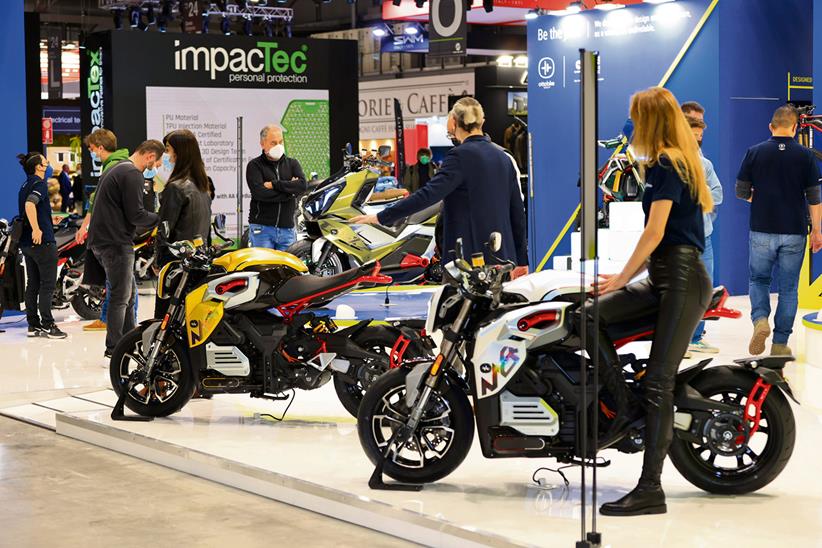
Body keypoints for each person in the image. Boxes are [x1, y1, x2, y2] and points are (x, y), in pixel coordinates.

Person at [597, 87, 713, 517]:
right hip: (668, 275)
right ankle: (625, 408)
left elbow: (657, 231)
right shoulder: (674, 159)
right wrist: (624, 279)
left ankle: (650, 489)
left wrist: (622, 278)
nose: (632, 125)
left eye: (635, 117)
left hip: (680, 279)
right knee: (587, 319)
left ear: (650, 119)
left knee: (659, 382)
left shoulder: (667, 162)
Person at [349, 97, 529, 278]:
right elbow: (517, 214)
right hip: (503, 258)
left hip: (466, 259)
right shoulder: (504, 158)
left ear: (454, 122)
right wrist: (522, 260)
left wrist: (381, 217)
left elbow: (427, 195)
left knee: (456, 306)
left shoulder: (460, 156)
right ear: (482, 121)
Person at [736, 104, 822, 356]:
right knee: (788, 289)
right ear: (795, 128)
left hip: (762, 229)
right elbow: (814, 198)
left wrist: (760, 200)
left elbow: (741, 191)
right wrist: (817, 231)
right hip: (794, 230)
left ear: (771, 127)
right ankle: (780, 343)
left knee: (759, 280)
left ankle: (760, 319)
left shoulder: (754, 153)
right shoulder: (806, 156)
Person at [87, 141, 162, 357]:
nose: (156, 166)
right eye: (156, 161)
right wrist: (161, 218)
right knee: (120, 297)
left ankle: (130, 343)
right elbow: (136, 215)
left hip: (104, 241)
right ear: (149, 156)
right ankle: (114, 350)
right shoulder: (132, 174)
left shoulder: (118, 169)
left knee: (126, 295)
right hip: (115, 243)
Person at [154, 129, 212, 319]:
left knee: (166, 317)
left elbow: (165, 228)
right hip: (198, 260)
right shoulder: (203, 185)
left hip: (176, 262)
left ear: (179, 152)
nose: (167, 155)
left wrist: (158, 261)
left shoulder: (176, 187)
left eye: (169, 149)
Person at [79, 129, 131, 332]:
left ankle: (117, 343)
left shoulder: (114, 167)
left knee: (121, 292)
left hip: (113, 238)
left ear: (100, 147)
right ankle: (122, 337)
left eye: (92, 149)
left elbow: (97, 201)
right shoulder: (118, 165)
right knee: (125, 289)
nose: (93, 154)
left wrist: (86, 224)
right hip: (116, 238)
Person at [683, 114, 723, 354]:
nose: (698, 139)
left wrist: (700, 186)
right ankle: (678, 340)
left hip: (704, 236)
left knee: (704, 288)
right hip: (679, 238)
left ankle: (696, 337)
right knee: (681, 289)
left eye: (700, 136)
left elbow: (718, 195)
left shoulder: (705, 164)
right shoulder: (669, 161)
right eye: (694, 135)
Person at [16, 152, 67, 339]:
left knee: (33, 284)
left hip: (27, 244)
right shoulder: (40, 184)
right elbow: (30, 205)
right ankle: (48, 324)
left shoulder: (24, 186)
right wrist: (38, 229)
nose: (48, 165)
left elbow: (30, 207)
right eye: (46, 163)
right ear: (39, 167)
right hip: (42, 242)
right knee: (47, 285)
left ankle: (33, 324)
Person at [245, 124, 307, 250]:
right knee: (264, 267)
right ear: (262, 144)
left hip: (287, 229)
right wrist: (290, 191)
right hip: (262, 229)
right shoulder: (254, 166)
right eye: (273, 143)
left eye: (280, 142)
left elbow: (302, 185)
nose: (278, 146)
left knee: (287, 269)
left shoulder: (292, 164)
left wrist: (274, 184)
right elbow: (260, 193)